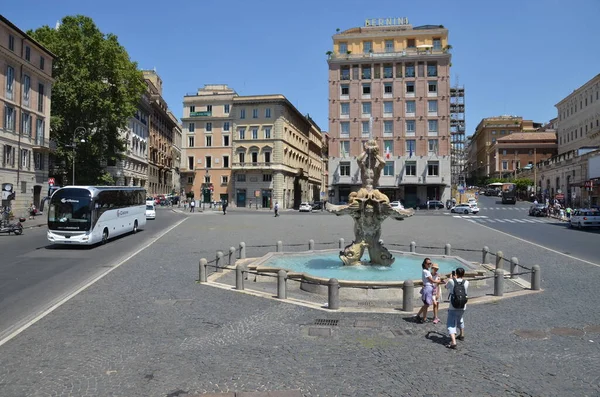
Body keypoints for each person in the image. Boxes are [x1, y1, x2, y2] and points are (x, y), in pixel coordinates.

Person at [445, 267, 469, 349]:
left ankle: (453, 342)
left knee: (451, 323)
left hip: (453, 305)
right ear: (463, 274)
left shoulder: (451, 281)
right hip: (463, 305)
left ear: (456, 273)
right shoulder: (466, 282)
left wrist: (451, 278)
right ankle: (462, 335)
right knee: (460, 318)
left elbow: (446, 287)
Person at [415, 258, 444, 323]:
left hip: (429, 288)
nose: (429, 264)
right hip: (428, 288)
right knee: (427, 304)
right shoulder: (426, 271)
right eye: (428, 263)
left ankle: (421, 316)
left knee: (427, 304)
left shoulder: (427, 271)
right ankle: (423, 318)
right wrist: (439, 281)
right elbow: (432, 280)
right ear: (425, 264)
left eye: (430, 263)